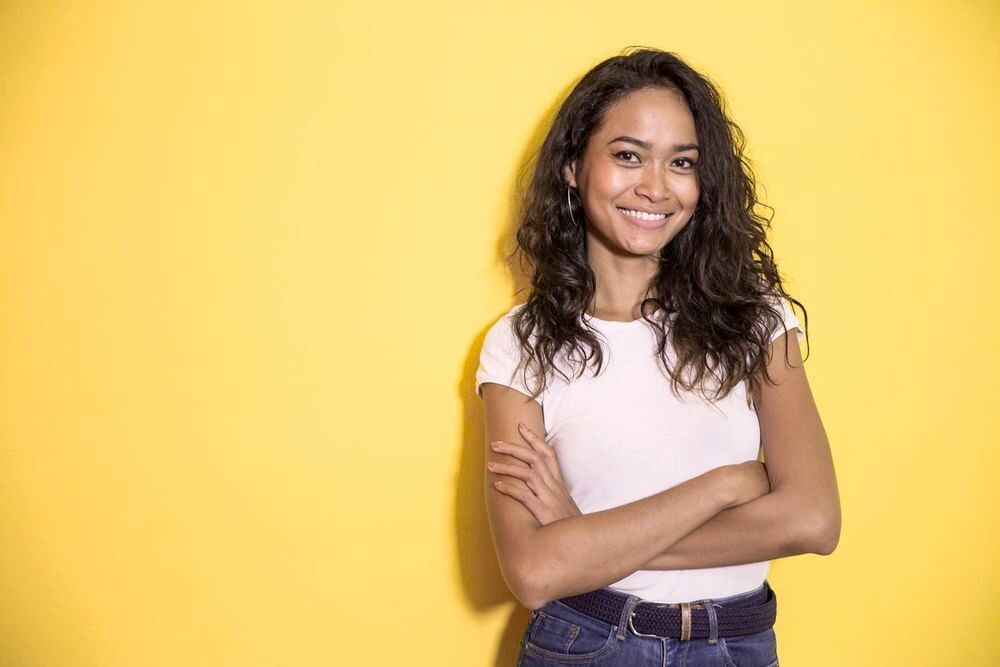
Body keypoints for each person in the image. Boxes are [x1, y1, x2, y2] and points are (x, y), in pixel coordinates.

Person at [475, 47, 840, 666]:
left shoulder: (757, 320)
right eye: (626, 155)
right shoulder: (520, 344)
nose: (655, 186)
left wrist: (585, 537)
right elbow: (535, 572)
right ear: (572, 167)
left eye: (682, 163)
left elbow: (812, 519)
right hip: (585, 644)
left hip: (738, 646)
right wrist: (726, 486)